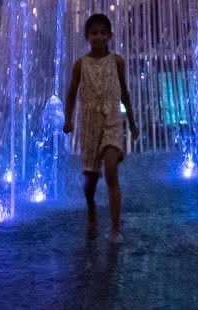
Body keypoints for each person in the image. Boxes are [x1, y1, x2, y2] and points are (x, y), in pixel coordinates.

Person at [63, 12, 138, 242]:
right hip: (90, 125)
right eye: (94, 33)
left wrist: (133, 124)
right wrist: (68, 119)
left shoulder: (117, 62)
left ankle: (115, 229)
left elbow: (124, 92)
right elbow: (71, 94)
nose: (98, 37)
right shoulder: (80, 65)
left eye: (103, 32)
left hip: (112, 123)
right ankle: (91, 209)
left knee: (111, 170)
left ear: (110, 36)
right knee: (90, 182)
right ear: (86, 36)